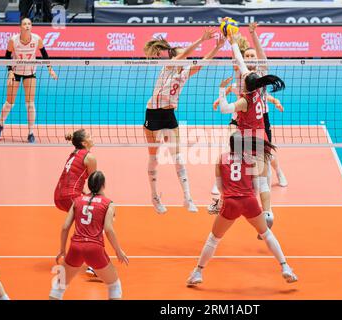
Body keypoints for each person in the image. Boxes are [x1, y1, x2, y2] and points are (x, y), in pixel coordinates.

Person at [186, 134, 298, 287]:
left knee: (214, 239)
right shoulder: (250, 160)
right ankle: (285, 267)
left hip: (231, 203)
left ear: (230, 145)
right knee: (266, 234)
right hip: (250, 201)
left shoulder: (222, 158)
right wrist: (250, 201)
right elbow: (256, 187)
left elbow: (219, 187)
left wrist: (222, 202)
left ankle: (198, 273)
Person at [143, 28, 224, 214]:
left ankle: (187, 198)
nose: (187, 59)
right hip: (153, 114)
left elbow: (202, 63)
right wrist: (201, 39)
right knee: (154, 158)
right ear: (175, 57)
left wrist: (217, 47)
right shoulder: (169, 67)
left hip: (169, 116)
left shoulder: (185, 72)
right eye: (184, 56)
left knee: (178, 157)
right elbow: (188, 53)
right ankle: (154, 197)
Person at [212, 22, 287, 189]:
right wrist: (231, 38)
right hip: (239, 114)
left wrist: (253, 35)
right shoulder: (241, 72)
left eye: (254, 56)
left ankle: (278, 172)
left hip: (260, 118)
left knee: (265, 154)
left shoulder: (262, 72)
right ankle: (226, 180)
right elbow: (236, 57)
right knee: (234, 149)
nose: (251, 58)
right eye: (248, 56)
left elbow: (261, 55)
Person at [49, 171, 129, 300]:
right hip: (94, 249)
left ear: (89, 184)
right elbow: (108, 229)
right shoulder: (108, 203)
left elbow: (65, 227)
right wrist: (118, 251)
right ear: (103, 185)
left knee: (59, 287)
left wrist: (62, 250)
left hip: (75, 248)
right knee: (114, 285)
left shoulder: (77, 201)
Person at [0, 17, 58, 143]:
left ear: (31, 26)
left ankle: (31, 133)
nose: (27, 26)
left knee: (30, 104)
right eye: (24, 24)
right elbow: (7, 56)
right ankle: (0, 124)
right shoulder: (13, 40)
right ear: (20, 27)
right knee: (9, 103)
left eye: (29, 24)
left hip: (30, 73)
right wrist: (10, 71)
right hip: (16, 73)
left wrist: (50, 69)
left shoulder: (37, 39)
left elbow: (45, 55)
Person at [54, 129, 97, 277]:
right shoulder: (90, 157)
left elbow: (74, 178)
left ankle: (67, 253)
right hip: (70, 196)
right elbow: (95, 187)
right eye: (89, 136)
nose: (93, 138)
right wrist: (106, 205)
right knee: (93, 221)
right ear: (84, 143)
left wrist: (83, 196)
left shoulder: (73, 154)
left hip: (59, 195)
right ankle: (93, 265)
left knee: (81, 223)